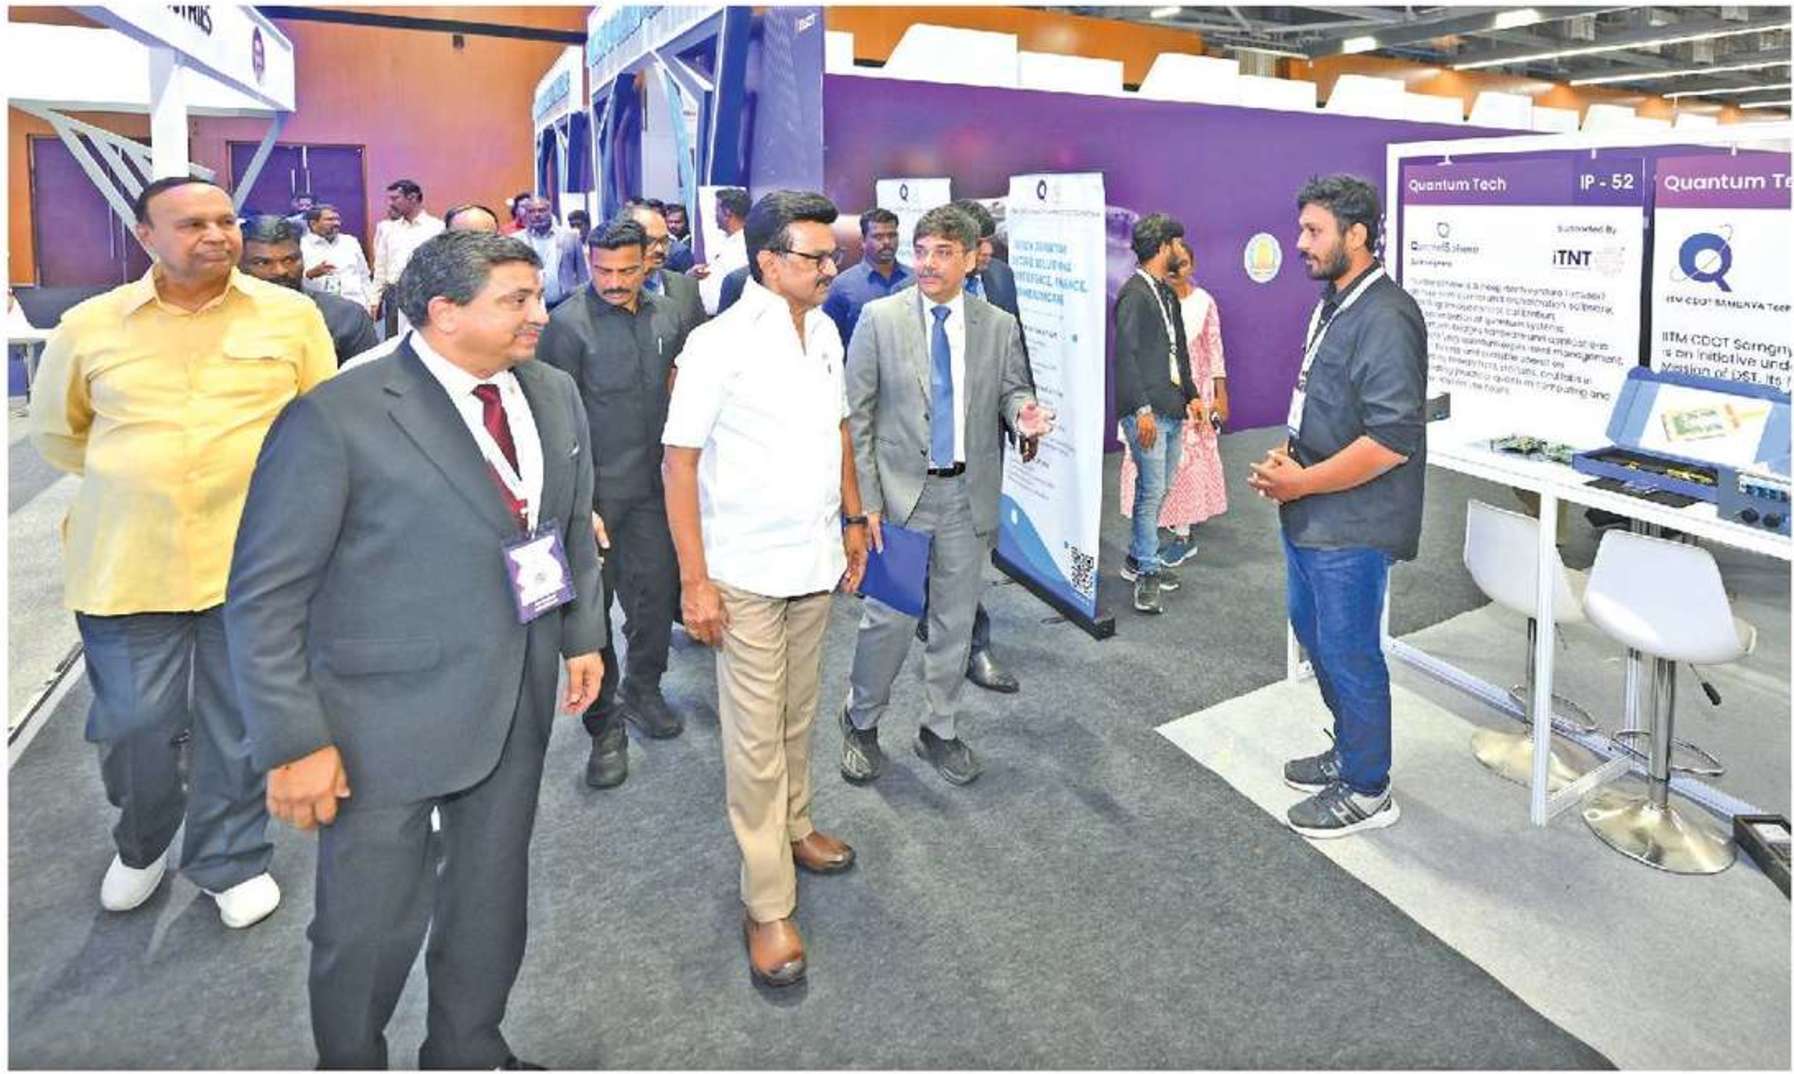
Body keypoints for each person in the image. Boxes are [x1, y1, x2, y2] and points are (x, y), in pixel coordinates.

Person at [226, 230, 606, 1067]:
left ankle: (469, 1048)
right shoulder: (337, 416)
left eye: (536, 295)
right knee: (368, 923)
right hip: (380, 717)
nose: (541, 315)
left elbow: (566, 526)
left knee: (490, 894)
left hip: (516, 693)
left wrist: (581, 634)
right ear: (444, 311)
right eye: (516, 300)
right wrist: (293, 740)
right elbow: (264, 596)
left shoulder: (550, 392)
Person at [28, 176, 336, 929]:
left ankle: (230, 858)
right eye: (192, 223)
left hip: (254, 564)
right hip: (128, 564)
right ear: (146, 236)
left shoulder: (290, 317)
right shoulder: (90, 325)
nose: (216, 234)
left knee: (238, 722)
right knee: (133, 724)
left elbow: (321, 421)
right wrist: (145, 482)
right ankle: (142, 842)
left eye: (225, 220)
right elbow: (59, 434)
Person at [662, 190, 868, 988]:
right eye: (816, 257)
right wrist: (694, 581)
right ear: (769, 261)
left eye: (832, 255)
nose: (831, 269)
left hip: (813, 561)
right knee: (753, 741)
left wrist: (854, 519)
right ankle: (767, 901)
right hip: (742, 572)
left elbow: (840, 430)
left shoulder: (825, 331)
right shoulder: (716, 344)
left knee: (796, 714)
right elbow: (679, 463)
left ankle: (796, 824)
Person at [841, 206, 1052, 788]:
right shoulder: (879, 319)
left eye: (942, 253)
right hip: (899, 500)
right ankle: (861, 721)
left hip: (966, 495)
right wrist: (865, 504)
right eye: (921, 251)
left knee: (954, 622)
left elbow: (1013, 391)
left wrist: (1022, 414)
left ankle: (939, 727)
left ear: (970, 259)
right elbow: (856, 419)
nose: (928, 264)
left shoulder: (997, 326)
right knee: (888, 620)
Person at [1247, 174, 1427, 839]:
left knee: (1350, 652)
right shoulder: (1336, 302)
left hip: (1354, 521)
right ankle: (1351, 749)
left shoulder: (1387, 316)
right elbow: (1326, 400)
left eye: (1313, 231)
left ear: (1357, 234)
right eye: (1302, 228)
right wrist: (1291, 456)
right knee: (1315, 634)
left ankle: (1368, 787)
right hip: (1313, 509)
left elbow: (1391, 441)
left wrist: (1303, 482)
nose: (1300, 243)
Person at [537, 218, 695, 788]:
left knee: (656, 597)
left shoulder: (670, 315)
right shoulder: (564, 326)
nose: (614, 281)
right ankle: (604, 727)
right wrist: (576, 503)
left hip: (655, 489)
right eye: (603, 270)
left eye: (627, 270)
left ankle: (643, 688)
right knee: (592, 614)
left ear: (648, 261)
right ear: (589, 262)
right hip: (595, 496)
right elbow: (555, 421)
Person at [1118, 242, 1229, 565]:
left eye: (1184, 263)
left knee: (1185, 465)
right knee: (1153, 468)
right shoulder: (1151, 299)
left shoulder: (1204, 302)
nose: (1177, 269)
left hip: (1192, 397)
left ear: (1192, 266)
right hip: (1153, 397)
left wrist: (1220, 395)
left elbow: (1215, 350)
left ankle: (1183, 535)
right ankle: (1153, 531)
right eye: (1173, 261)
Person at [1113, 212, 1200, 615]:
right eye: (1177, 243)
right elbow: (1125, 356)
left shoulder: (1165, 292)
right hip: (1146, 410)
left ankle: (1137, 557)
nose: (1181, 250)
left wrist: (1193, 395)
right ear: (1164, 247)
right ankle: (1147, 570)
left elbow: (1178, 351)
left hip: (1172, 406)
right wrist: (1141, 409)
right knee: (1151, 492)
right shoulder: (1134, 294)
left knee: (1159, 488)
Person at [241, 216, 380, 366]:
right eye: (262, 263)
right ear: (238, 266)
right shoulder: (226, 317)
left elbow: (370, 378)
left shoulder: (346, 317)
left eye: (289, 260)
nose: (280, 271)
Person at [821, 208, 911, 346]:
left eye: (892, 235)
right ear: (863, 241)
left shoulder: (914, 280)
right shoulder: (842, 286)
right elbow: (830, 340)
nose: (887, 242)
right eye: (878, 237)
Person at [371, 178, 444, 336]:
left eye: (395, 198)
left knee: (424, 339)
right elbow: (381, 266)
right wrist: (375, 299)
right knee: (393, 340)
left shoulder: (437, 228)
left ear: (412, 197)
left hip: (425, 292)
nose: (390, 204)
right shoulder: (389, 230)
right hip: (394, 293)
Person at [622, 201, 706, 337]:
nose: (660, 249)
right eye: (650, 241)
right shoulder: (608, 288)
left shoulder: (686, 287)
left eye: (664, 241)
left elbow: (700, 338)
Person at [518, 196, 589, 309]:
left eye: (542, 210)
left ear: (550, 211)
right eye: (531, 211)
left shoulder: (570, 237)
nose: (537, 215)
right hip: (531, 306)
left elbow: (582, 273)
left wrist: (585, 302)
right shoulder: (517, 240)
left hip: (565, 304)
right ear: (526, 214)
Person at [301, 204, 374, 310]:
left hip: (355, 306)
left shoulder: (350, 242)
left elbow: (364, 276)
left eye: (337, 219)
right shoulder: (301, 246)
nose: (336, 223)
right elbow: (292, 285)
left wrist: (371, 303)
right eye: (329, 220)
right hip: (320, 309)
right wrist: (310, 274)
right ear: (313, 223)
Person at [693, 186, 750, 315]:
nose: (714, 215)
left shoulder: (743, 247)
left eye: (716, 210)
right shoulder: (727, 241)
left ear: (727, 212)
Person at [662, 201, 696, 273]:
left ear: (685, 222)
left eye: (677, 222)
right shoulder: (662, 242)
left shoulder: (694, 241)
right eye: (670, 222)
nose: (673, 225)